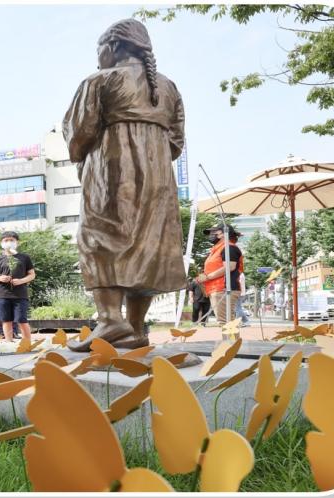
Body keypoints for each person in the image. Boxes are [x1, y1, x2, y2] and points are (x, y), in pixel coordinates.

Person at [62, 18, 186, 351]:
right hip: (158, 177)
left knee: (99, 238)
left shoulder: (99, 80)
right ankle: (135, 326)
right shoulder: (169, 88)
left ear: (113, 46)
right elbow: (176, 142)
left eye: (99, 50)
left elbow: (79, 134)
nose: (98, 58)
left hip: (112, 169)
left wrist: (89, 154)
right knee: (148, 244)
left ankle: (110, 320)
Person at [196, 224, 243, 327]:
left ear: (223, 233)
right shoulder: (218, 249)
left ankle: (230, 338)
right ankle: (229, 337)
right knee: (226, 322)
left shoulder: (229, 247)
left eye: (214, 232)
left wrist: (207, 277)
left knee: (226, 322)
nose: (211, 235)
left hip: (224, 288)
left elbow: (230, 267)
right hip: (217, 289)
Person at [0, 231, 35, 342]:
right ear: (1, 243)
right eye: (6, 240)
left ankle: (27, 343)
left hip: (20, 294)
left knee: (22, 320)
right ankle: (9, 342)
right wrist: (0, 278)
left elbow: (32, 275)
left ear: (17, 242)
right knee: (6, 320)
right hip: (2, 294)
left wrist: (21, 281)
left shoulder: (24, 257)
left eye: (12, 240)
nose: (9, 242)